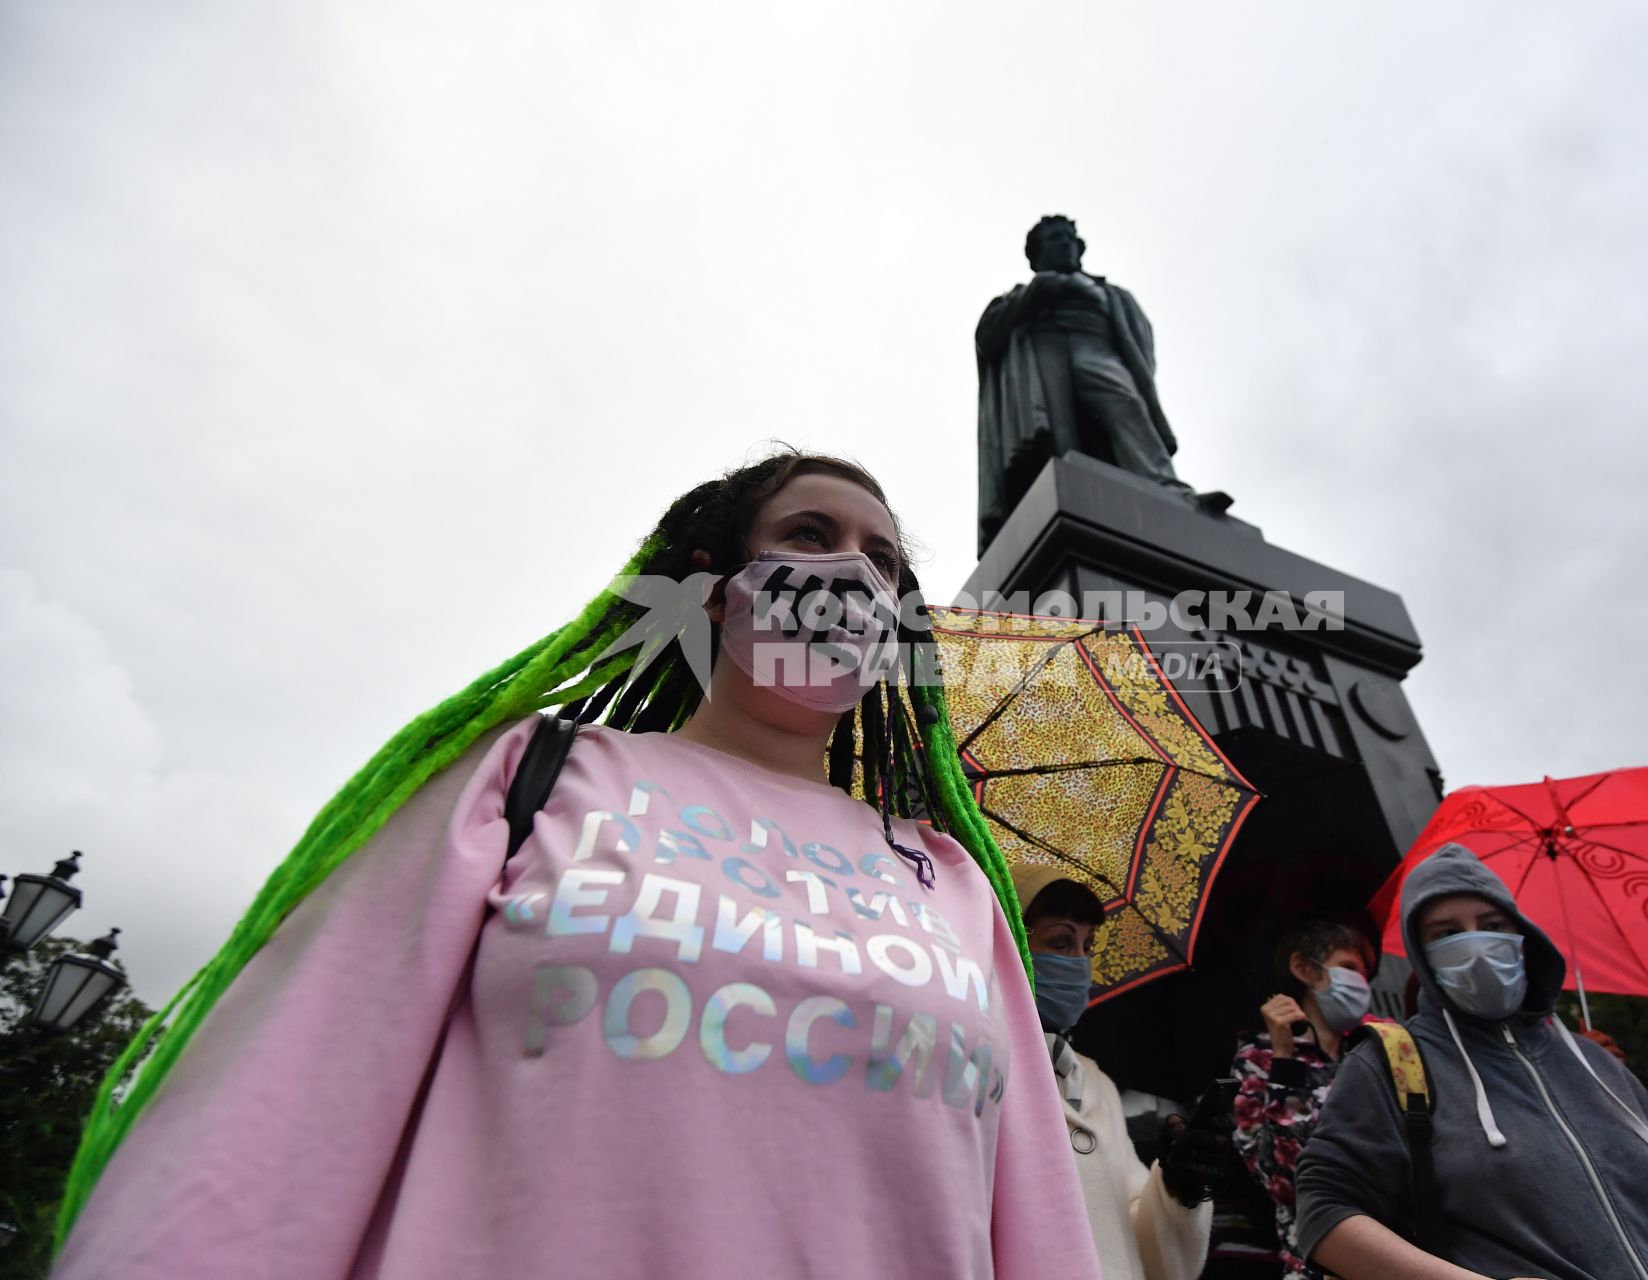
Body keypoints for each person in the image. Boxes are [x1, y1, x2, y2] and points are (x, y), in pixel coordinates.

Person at [51, 451, 1100, 1279]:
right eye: (810, 535)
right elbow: (277, 1117)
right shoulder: (527, 781)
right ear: (713, 590)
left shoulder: (952, 882)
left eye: (881, 562)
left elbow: (1036, 1223)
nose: (851, 576)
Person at [1293, 843, 1648, 1280]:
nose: (1477, 945)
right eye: (1446, 934)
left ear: (1521, 935)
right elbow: (1323, 1210)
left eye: (1492, 925)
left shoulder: (1599, 1063)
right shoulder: (1391, 1065)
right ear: (1421, 957)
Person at [1014, 862, 1229, 1280]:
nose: (1080, 963)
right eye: (1061, 943)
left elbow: (1143, 1243)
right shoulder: (975, 1064)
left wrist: (1177, 1188)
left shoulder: (1094, 1081)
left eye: (1088, 946)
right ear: (1009, 942)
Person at [974, 214, 1230, 552]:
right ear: (1036, 256)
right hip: (1045, 348)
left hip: (1095, 347)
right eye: (1054, 238)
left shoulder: (1109, 292)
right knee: (1058, 434)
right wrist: (1036, 295)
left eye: (1069, 237)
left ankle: (1171, 492)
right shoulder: (1019, 296)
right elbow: (987, 337)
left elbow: (1139, 343)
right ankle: (1070, 501)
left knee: (1127, 405)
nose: (1064, 243)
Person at [1214, 918, 1380, 1278]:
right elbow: (1284, 1180)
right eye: (1349, 968)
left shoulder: (1374, 1053)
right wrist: (1284, 1061)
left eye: (1365, 974)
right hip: (1318, 1265)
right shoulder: (1259, 1060)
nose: (1361, 984)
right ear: (1304, 968)